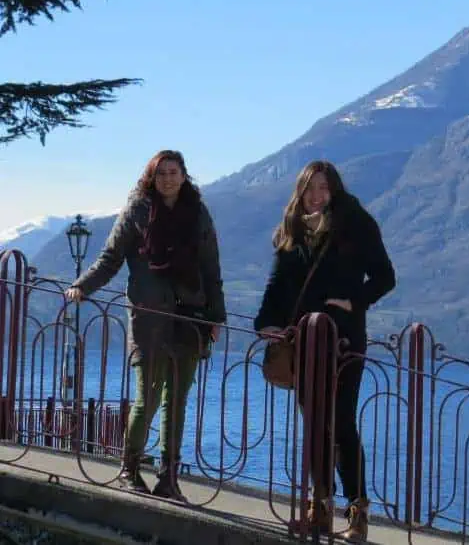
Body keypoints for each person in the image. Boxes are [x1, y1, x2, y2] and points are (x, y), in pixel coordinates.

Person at [64, 150, 226, 500]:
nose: (168, 178)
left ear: (184, 176)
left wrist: (217, 317)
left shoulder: (198, 213)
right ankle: (129, 468)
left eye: (174, 171)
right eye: (161, 173)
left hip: (191, 319)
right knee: (148, 398)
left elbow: (212, 268)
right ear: (151, 177)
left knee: (177, 403)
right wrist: (83, 285)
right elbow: (110, 259)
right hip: (149, 319)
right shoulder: (137, 211)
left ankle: (168, 478)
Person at [254, 160, 395, 542]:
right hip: (302, 341)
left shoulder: (355, 223)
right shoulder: (292, 227)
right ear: (300, 191)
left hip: (344, 341)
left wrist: (355, 301)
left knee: (342, 423)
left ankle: (357, 513)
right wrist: (264, 322)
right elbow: (278, 281)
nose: (316, 196)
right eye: (310, 188)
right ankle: (320, 507)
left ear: (335, 190)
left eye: (323, 188)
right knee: (315, 424)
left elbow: (385, 276)